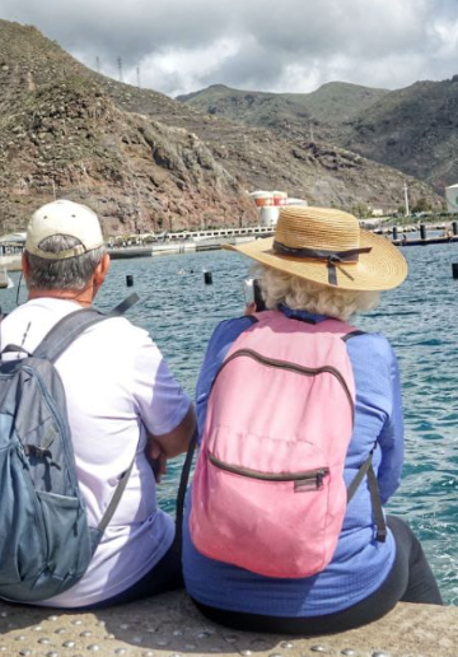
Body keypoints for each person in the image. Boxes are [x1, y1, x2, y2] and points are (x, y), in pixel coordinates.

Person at [182, 205, 440, 635]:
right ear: (356, 287)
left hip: (213, 590)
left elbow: (208, 432)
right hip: (336, 596)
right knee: (402, 536)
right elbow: (389, 475)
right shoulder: (371, 353)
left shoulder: (229, 337)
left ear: (268, 274)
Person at [0, 199, 195, 609]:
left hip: (2, 569)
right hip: (104, 573)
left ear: (24, 266)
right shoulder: (124, 340)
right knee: (203, 543)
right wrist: (147, 441)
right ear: (103, 268)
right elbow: (183, 438)